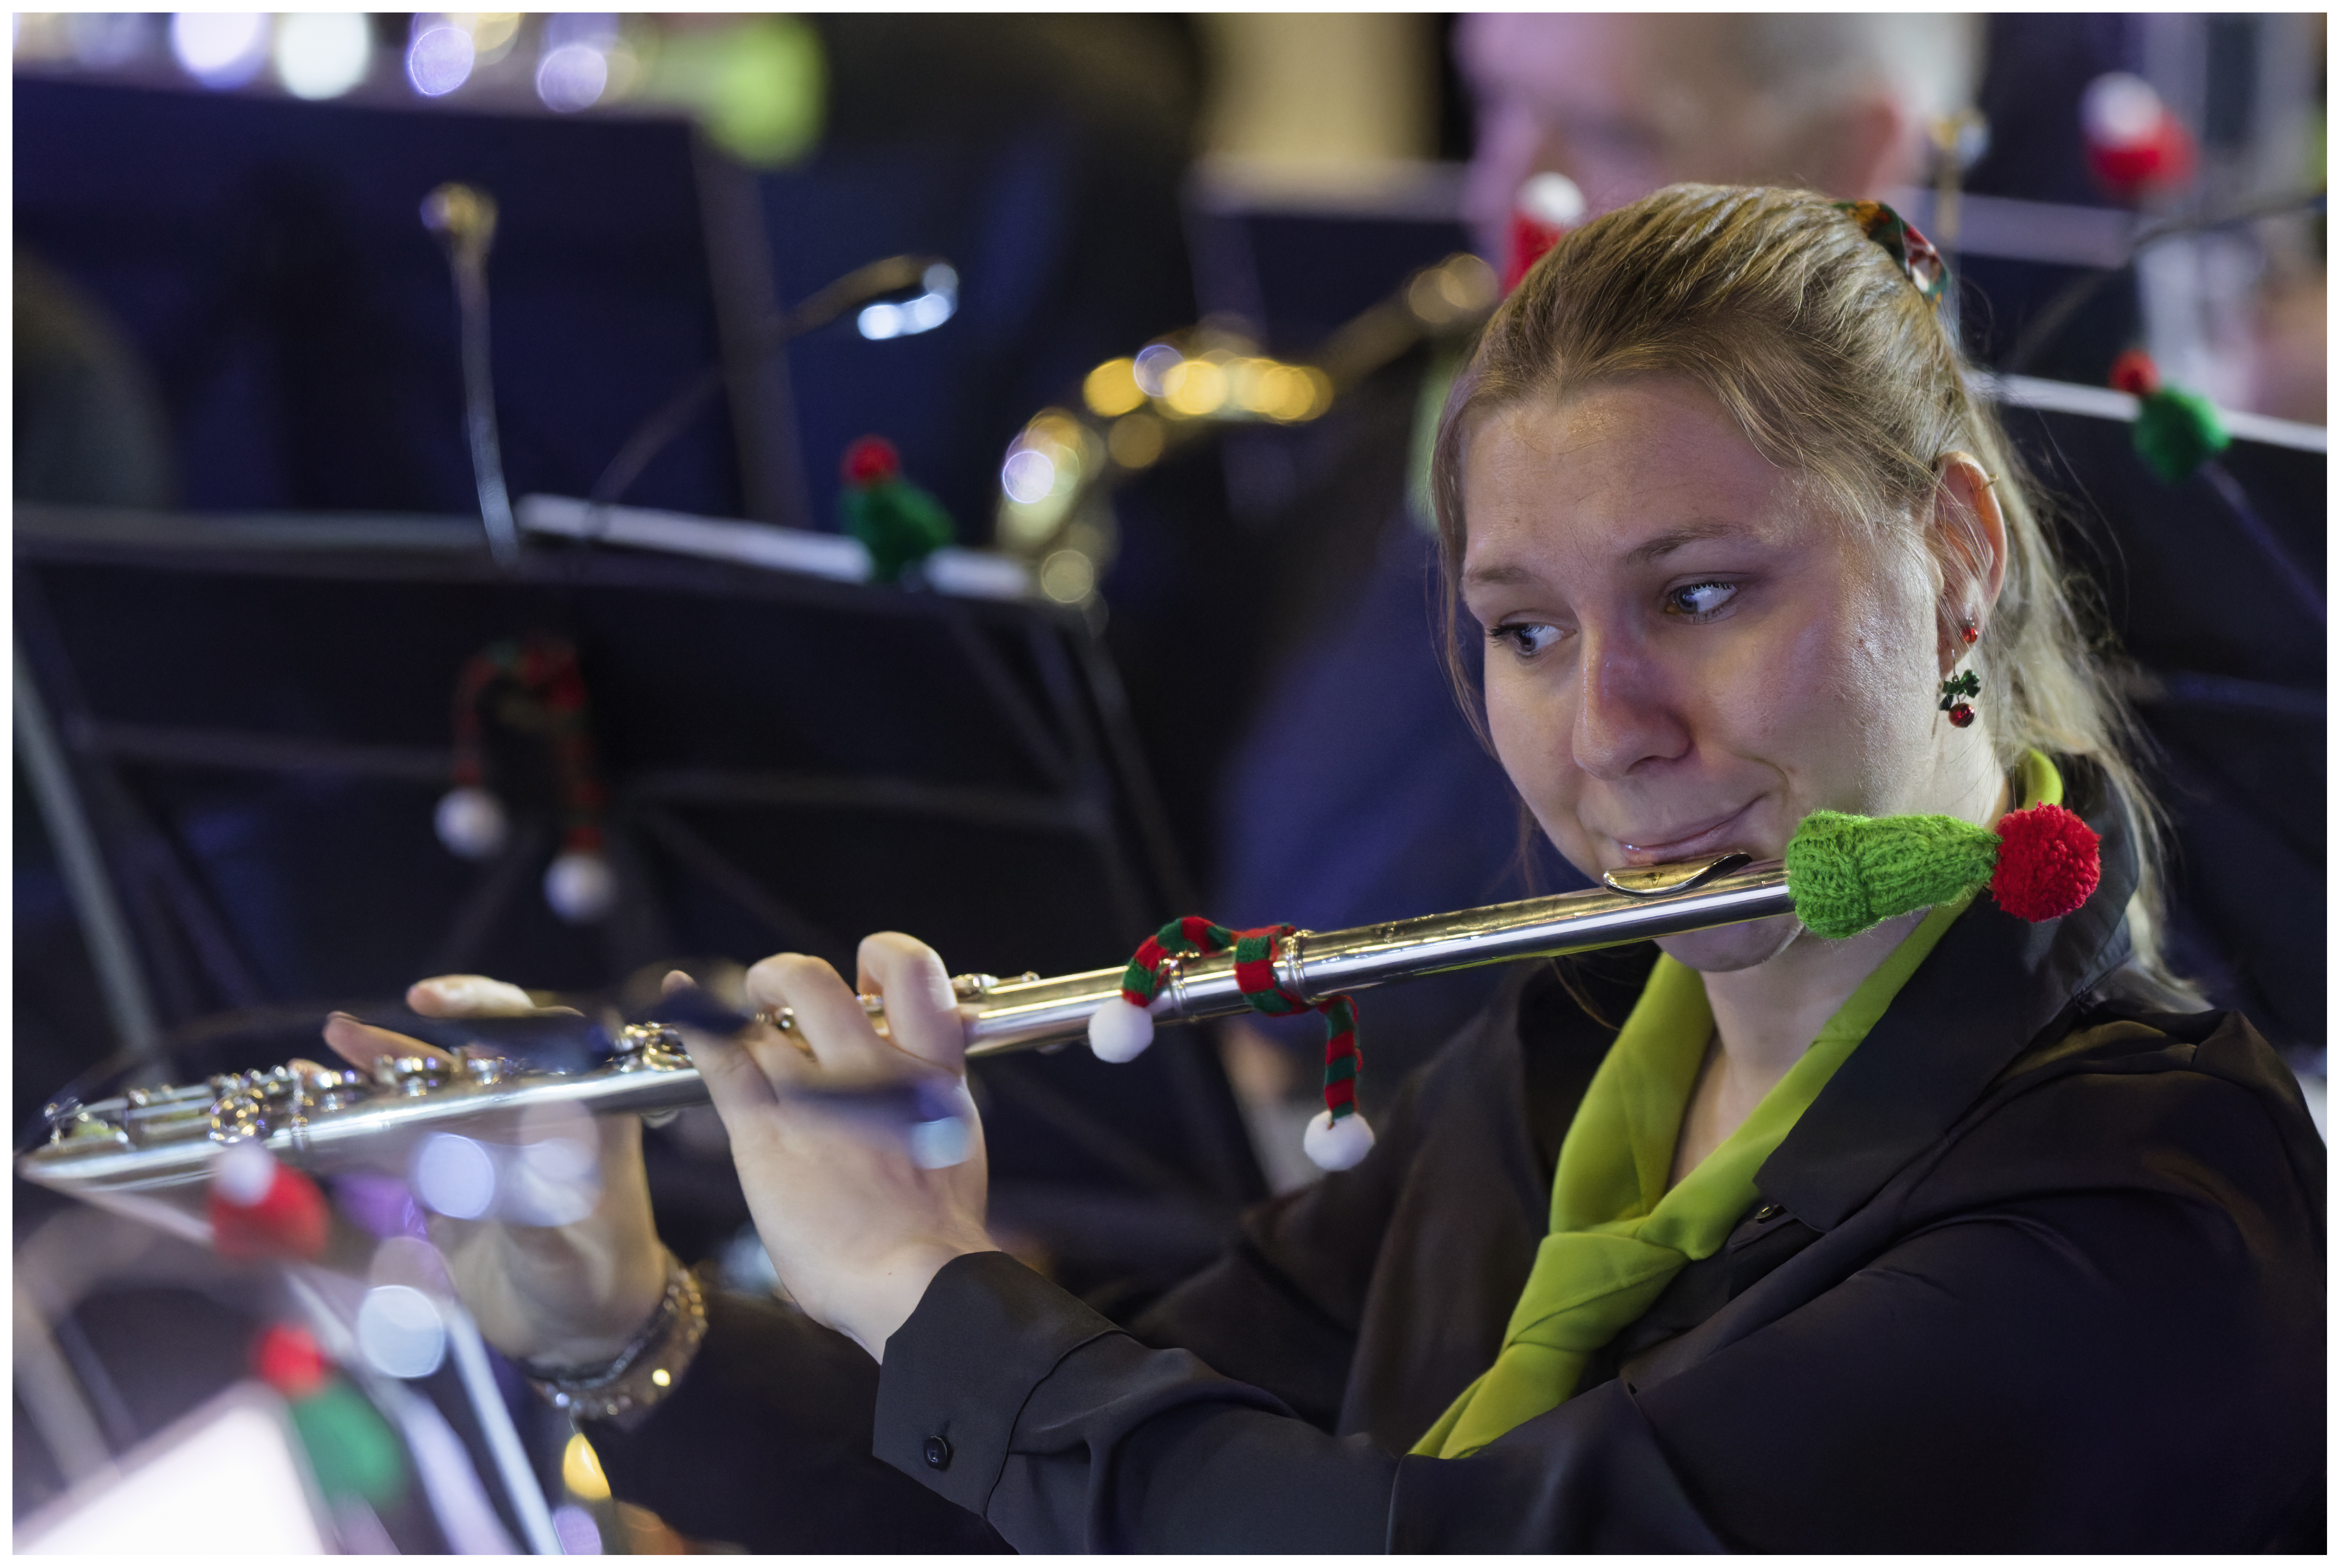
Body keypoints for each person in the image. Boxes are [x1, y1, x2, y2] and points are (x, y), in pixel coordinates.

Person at [332, 185, 2322, 1551]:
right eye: (1523, 630)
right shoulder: (1557, 1066)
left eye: (1699, 594)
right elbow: (1059, 1504)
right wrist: (627, 1323)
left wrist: (928, 1287)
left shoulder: (2137, 1215)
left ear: (1952, 559)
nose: (1606, 724)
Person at [1209, 14, 1987, 1092]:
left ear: (1850, 153)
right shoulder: (1408, 440)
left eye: (1611, 130)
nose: (1515, 184)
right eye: (1495, 106)